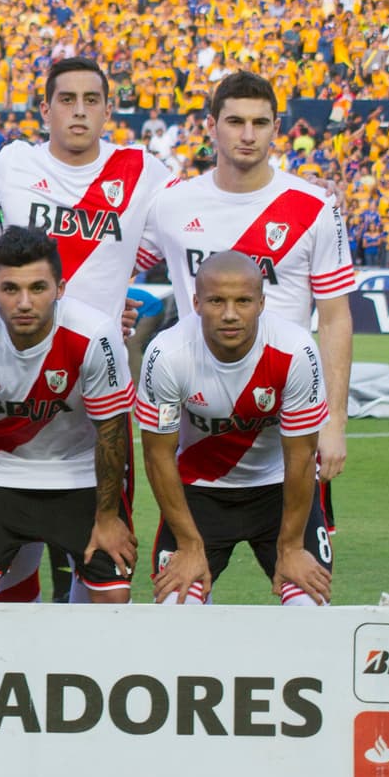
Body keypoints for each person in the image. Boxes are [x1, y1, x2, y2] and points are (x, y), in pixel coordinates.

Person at [0, 57, 174, 603]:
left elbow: (183, 226)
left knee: (97, 547)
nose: (79, 111)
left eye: (91, 100)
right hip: (12, 381)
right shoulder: (4, 167)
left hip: (97, 385)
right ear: (45, 109)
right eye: (67, 99)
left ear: (109, 109)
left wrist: (114, 301)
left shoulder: (144, 171)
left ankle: (79, 665)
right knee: (10, 553)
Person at [137, 71, 352, 542]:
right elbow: (118, 268)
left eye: (260, 122)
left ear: (277, 127)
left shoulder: (313, 206)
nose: (248, 135)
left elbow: (335, 317)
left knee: (305, 585)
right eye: (235, 121)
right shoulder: (171, 203)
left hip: (287, 422)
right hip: (197, 424)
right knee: (184, 587)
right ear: (212, 125)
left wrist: (335, 420)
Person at [0, 226, 136, 603]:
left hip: (79, 473)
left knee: (113, 597)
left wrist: (108, 519)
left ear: (60, 289)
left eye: (38, 288)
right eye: (10, 289)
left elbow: (112, 432)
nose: (24, 302)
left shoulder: (94, 334)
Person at [137, 251, 332, 607]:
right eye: (216, 301)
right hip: (198, 494)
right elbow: (157, 454)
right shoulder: (167, 354)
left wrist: (290, 548)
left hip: (279, 492)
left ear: (261, 302)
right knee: (175, 609)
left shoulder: (296, 350)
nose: (229, 314)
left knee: (310, 605)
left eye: (242, 301)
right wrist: (190, 545)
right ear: (196, 303)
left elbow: (303, 456)